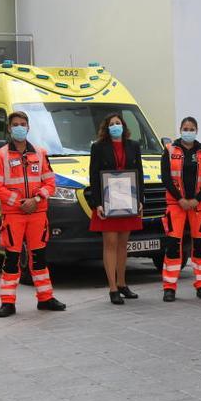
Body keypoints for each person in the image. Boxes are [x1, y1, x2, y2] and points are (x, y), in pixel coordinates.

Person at [0, 112, 66, 317]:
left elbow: (50, 183)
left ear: (28, 127)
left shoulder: (40, 153)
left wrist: (36, 200)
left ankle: (45, 298)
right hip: (13, 214)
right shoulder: (1, 155)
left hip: (37, 212)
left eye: (23, 124)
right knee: (12, 258)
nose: (19, 128)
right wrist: (19, 202)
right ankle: (7, 302)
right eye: (15, 125)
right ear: (9, 128)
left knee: (39, 257)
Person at [88, 113, 144, 305]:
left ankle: (122, 283)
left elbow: (139, 174)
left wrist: (140, 199)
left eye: (118, 123)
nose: (115, 126)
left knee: (123, 244)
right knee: (110, 243)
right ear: (106, 127)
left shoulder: (133, 146)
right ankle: (112, 288)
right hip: (107, 201)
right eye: (111, 124)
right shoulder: (98, 147)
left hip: (128, 200)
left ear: (123, 126)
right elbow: (94, 176)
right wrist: (97, 203)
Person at [160, 117, 201, 302]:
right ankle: (169, 288)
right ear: (180, 129)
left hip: (199, 206)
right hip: (177, 204)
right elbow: (166, 178)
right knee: (173, 246)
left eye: (191, 128)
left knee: (199, 246)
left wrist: (196, 200)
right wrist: (180, 199)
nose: (188, 131)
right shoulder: (169, 151)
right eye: (185, 128)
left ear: (196, 130)